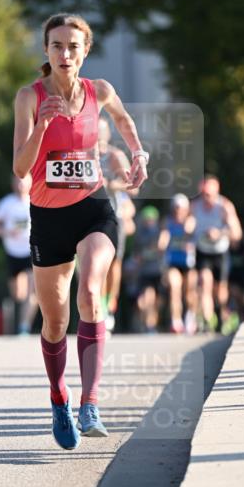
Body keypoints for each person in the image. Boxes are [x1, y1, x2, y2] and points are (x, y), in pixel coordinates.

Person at [13, 13, 149, 450]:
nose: (65, 54)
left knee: (90, 293)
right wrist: (43, 126)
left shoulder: (100, 91)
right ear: (46, 51)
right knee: (55, 321)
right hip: (48, 217)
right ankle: (59, 397)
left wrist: (138, 154)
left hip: (93, 209)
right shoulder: (29, 97)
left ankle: (91, 402)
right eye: (57, 46)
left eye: (73, 46)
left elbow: (125, 121)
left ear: (85, 50)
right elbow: (20, 166)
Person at [0, 175, 38, 335]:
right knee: (18, 294)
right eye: (17, 180)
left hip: (31, 251)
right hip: (12, 253)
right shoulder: (6, 203)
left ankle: (24, 326)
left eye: (24, 180)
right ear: (13, 183)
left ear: (30, 182)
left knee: (33, 292)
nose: (21, 184)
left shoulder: (36, 200)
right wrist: (7, 231)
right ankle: (20, 318)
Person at [191, 175, 242, 332]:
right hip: (202, 250)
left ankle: (221, 313)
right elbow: (186, 224)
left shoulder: (224, 206)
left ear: (216, 192)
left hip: (220, 251)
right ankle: (208, 319)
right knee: (204, 282)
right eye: (204, 195)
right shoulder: (194, 206)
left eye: (209, 195)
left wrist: (219, 233)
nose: (207, 199)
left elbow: (237, 233)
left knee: (220, 289)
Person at [98, 117, 133, 332]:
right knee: (96, 265)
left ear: (107, 134)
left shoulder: (114, 156)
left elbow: (133, 185)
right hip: (88, 215)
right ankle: (99, 308)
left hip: (112, 215)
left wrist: (110, 184)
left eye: (101, 130)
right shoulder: (80, 155)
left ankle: (110, 304)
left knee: (113, 265)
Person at [159, 194, 197, 334]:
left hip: (188, 264)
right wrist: (163, 242)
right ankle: (176, 320)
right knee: (175, 288)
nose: (178, 211)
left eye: (181, 209)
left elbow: (190, 229)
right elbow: (163, 239)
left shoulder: (190, 220)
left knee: (189, 292)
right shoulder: (167, 222)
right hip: (173, 263)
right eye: (176, 208)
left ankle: (190, 316)